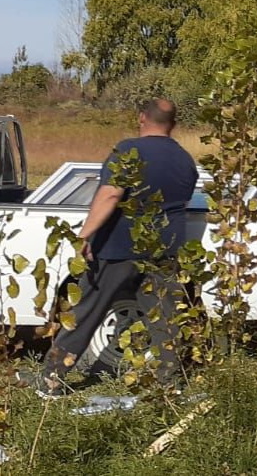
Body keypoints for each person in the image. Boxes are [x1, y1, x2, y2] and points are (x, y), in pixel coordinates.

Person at [39, 98, 198, 396]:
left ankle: (51, 380)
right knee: (165, 321)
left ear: (141, 118)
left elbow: (111, 195)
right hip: (165, 250)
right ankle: (170, 387)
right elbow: (183, 204)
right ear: (173, 124)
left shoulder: (128, 150)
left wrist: (84, 235)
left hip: (118, 247)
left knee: (85, 313)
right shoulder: (185, 159)